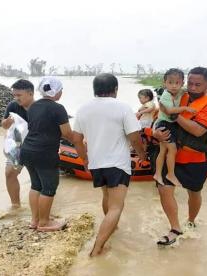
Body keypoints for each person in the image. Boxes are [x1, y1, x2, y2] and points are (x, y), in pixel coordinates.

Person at [71, 73, 146, 257]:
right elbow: (134, 137)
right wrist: (143, 154)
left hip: (97, 163)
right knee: (116, 207)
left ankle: (112, 228)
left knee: (106, 197)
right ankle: (97, 249)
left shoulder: (83, 109)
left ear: (94, 90)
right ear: (115, 89)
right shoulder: (123, 107)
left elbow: (76, 139)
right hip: (117, 163)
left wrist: (84, 160)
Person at [153, 67, 207, 246]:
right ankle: (175, 228)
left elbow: (197, 131)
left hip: (196, 158)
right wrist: (156, 133)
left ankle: (191, 220)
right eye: (190, 83)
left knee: (194, 192)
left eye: (198, 84)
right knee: (163, 187)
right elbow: (158, 117)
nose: (193, 87)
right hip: (173, 155)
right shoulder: (179, 95)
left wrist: (172, 115)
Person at [20, 77, 74, 232]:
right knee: (49, 187)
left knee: (36, 185)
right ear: (55, 91)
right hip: (44, 153)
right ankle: (44, 223)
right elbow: (67, 133)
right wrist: (79, 141)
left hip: (27, 150)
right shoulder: (58, 108)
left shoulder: (33, 106)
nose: (62, 93)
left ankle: (35, 220)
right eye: (61, 90)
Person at [153, 68, 196, 187]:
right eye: (170, 83)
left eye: (177, 83)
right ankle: (170, 174)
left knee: (163, 151)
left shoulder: (179, 92)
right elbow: (170, 111)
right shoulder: (166, 95)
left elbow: (187, 91)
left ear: (182, 83)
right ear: (165, 83)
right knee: (172, 150)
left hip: (169, 124)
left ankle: (157, 174)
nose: (174, 86)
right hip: (165, 124)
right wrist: (185, 109)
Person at [1, 79, 35, 210]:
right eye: (14, 95)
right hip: (17, 145)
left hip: (35, 146)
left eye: (19, 95)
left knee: (37, 178)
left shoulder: (40, 107)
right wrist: (7, 123)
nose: (16, 98)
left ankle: (42, 205)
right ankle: (15, 205)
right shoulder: (13, 106)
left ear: (30, 94)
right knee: (10, 173)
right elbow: (3, 124)